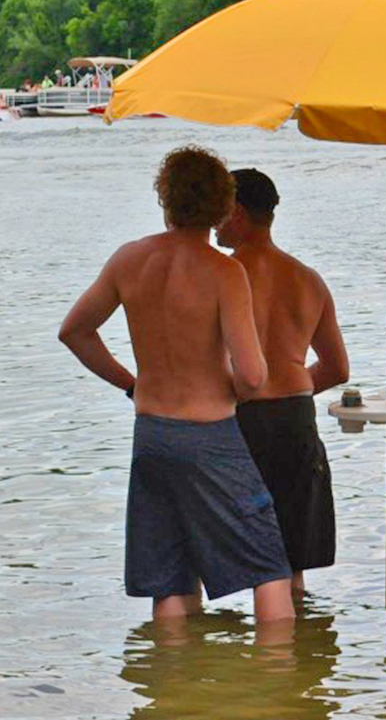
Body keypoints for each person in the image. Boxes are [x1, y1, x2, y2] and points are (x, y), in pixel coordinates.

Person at [58, 146, 295, 623]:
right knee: (269, 568)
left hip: (152, 435)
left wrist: (132, 384)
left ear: (165, 198)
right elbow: (252, 375)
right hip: (210, 436)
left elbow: (74, 332)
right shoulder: (225, 272)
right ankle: (279, 687)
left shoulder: (129, 261)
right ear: (224, 206)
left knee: (170, 578)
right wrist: (235, 387)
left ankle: (171, 690)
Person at [216, 168, 349, 600]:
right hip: (294, 418)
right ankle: (297, 656)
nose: (213, 221)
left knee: (225, 553)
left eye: (219, 211)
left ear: (236, 212)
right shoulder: (308, 279)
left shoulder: (220, 275)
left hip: (239, 417)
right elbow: (336, 367)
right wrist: (289, 382)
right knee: (290, 568)